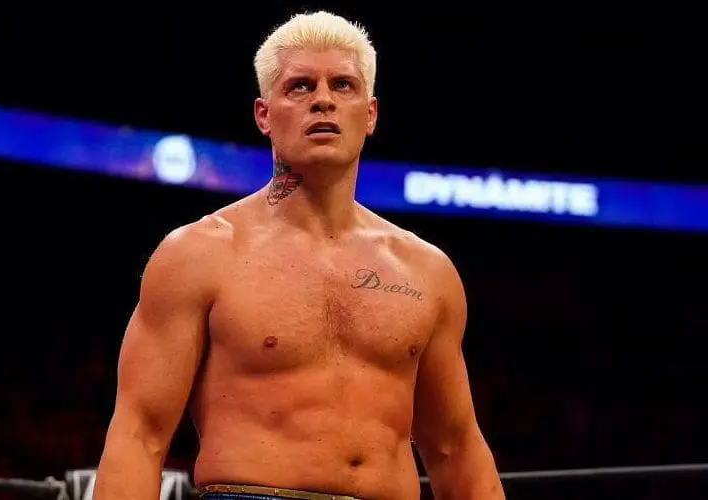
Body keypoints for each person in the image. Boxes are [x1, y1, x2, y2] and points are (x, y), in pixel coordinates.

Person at [94, 10, 504, 500]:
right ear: (264, 115)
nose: (323, 100)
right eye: (300, 86)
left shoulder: (425, 271)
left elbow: (456, 448)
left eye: (343, 85)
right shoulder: (200, 255)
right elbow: (139, 435)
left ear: (370, 115)